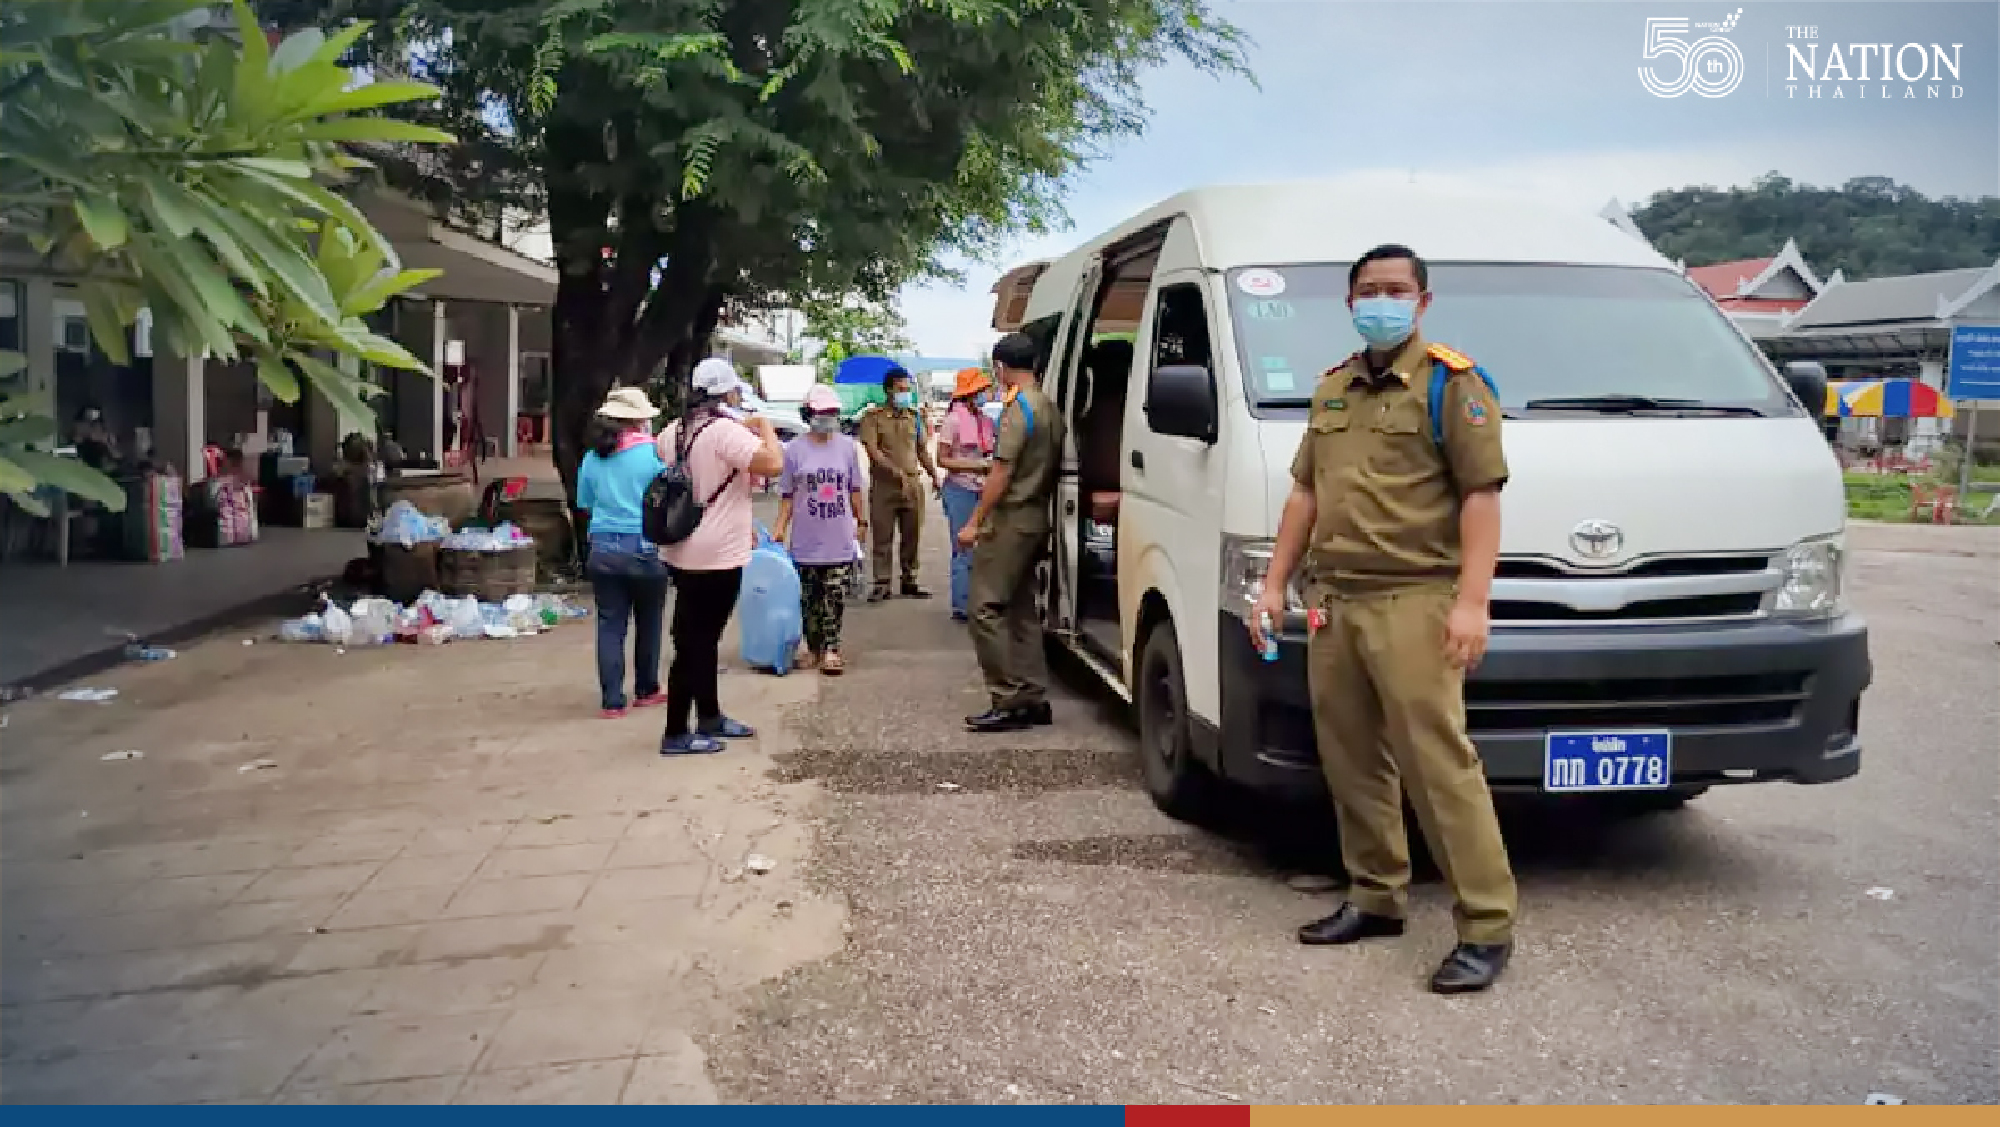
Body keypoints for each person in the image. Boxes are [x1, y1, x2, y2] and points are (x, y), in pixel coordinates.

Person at [1248, 243, 1517, 995]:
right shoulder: (1333, 387)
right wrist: (1273, 584)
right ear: (1350, 302)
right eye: (1369, 290)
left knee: (1438, 765)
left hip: (1415, 598)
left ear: (1422, 302)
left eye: (1396, 290)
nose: (1381, 301)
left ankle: (1486, 925)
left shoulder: (1453, 385)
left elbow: (1481, 496)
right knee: (1351, 756)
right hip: (1335, 601)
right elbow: (1305, 493)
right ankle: (1375, 895)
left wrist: (1472, 601)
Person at [655, 357, 786, 755]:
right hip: (717, 554)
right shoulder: (725, 432)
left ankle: (709, 715)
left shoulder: (674, 431)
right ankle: (676, 732)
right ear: (727, 393)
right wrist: (764, 426)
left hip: (681, 545)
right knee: (695, 642)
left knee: (699, 638)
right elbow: (774, 463)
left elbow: (671, 462)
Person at [959, 332, 1065, 733]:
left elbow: (1002, 471)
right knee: (1021, 609)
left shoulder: (1017, 408)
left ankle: (1006, 698)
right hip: (1037, 516)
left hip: (1011, 520)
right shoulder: (1048, 406)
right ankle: (1033, 696)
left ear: (1001, 368)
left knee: (984, 608)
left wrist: (975, 521)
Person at [575, 387, 670, 719]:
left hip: (602, 549)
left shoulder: (592, 457)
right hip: (645, 548)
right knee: (649, 621)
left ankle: (612, 701)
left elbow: (584, 503)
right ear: (639, 420)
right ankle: (646, 689)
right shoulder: (655, 454)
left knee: (610, 624)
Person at [774, 385, 867, 675]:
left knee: (834, 595)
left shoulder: (847, 447)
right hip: (806, 538)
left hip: (838, 536)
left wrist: (861, 521)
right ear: (808, 414)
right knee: (809, 599)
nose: (827, 417)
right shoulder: (794, 450)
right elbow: (788, 495)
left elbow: (854, 489)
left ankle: (831, 649)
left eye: (832, 412)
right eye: (822, 412)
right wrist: (779, 528)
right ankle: (813, 648)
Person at [857, 365, 940, 601]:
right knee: (882, 536)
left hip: (912, 484)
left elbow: (921, 450)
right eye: (900, 389)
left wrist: (934, 475)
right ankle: (882, 583)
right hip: (884, 486)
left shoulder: (914, 417)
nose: (905, 394)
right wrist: (896, 473)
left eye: (907, 389)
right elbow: (873, 451)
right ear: (888, 390)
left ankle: (909, 579)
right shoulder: (873, 418)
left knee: (912, 535)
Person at [937, 367, 998, 622]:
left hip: (982, 489)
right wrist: (977, 466)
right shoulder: (953, 421)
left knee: (984, 550)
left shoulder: (986, 421)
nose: (984, 395)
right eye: (980, 391)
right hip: (960, 489)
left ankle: (977, 601)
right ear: (969, 393)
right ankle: (962, 606)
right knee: (963, 548)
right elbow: (942, 459)